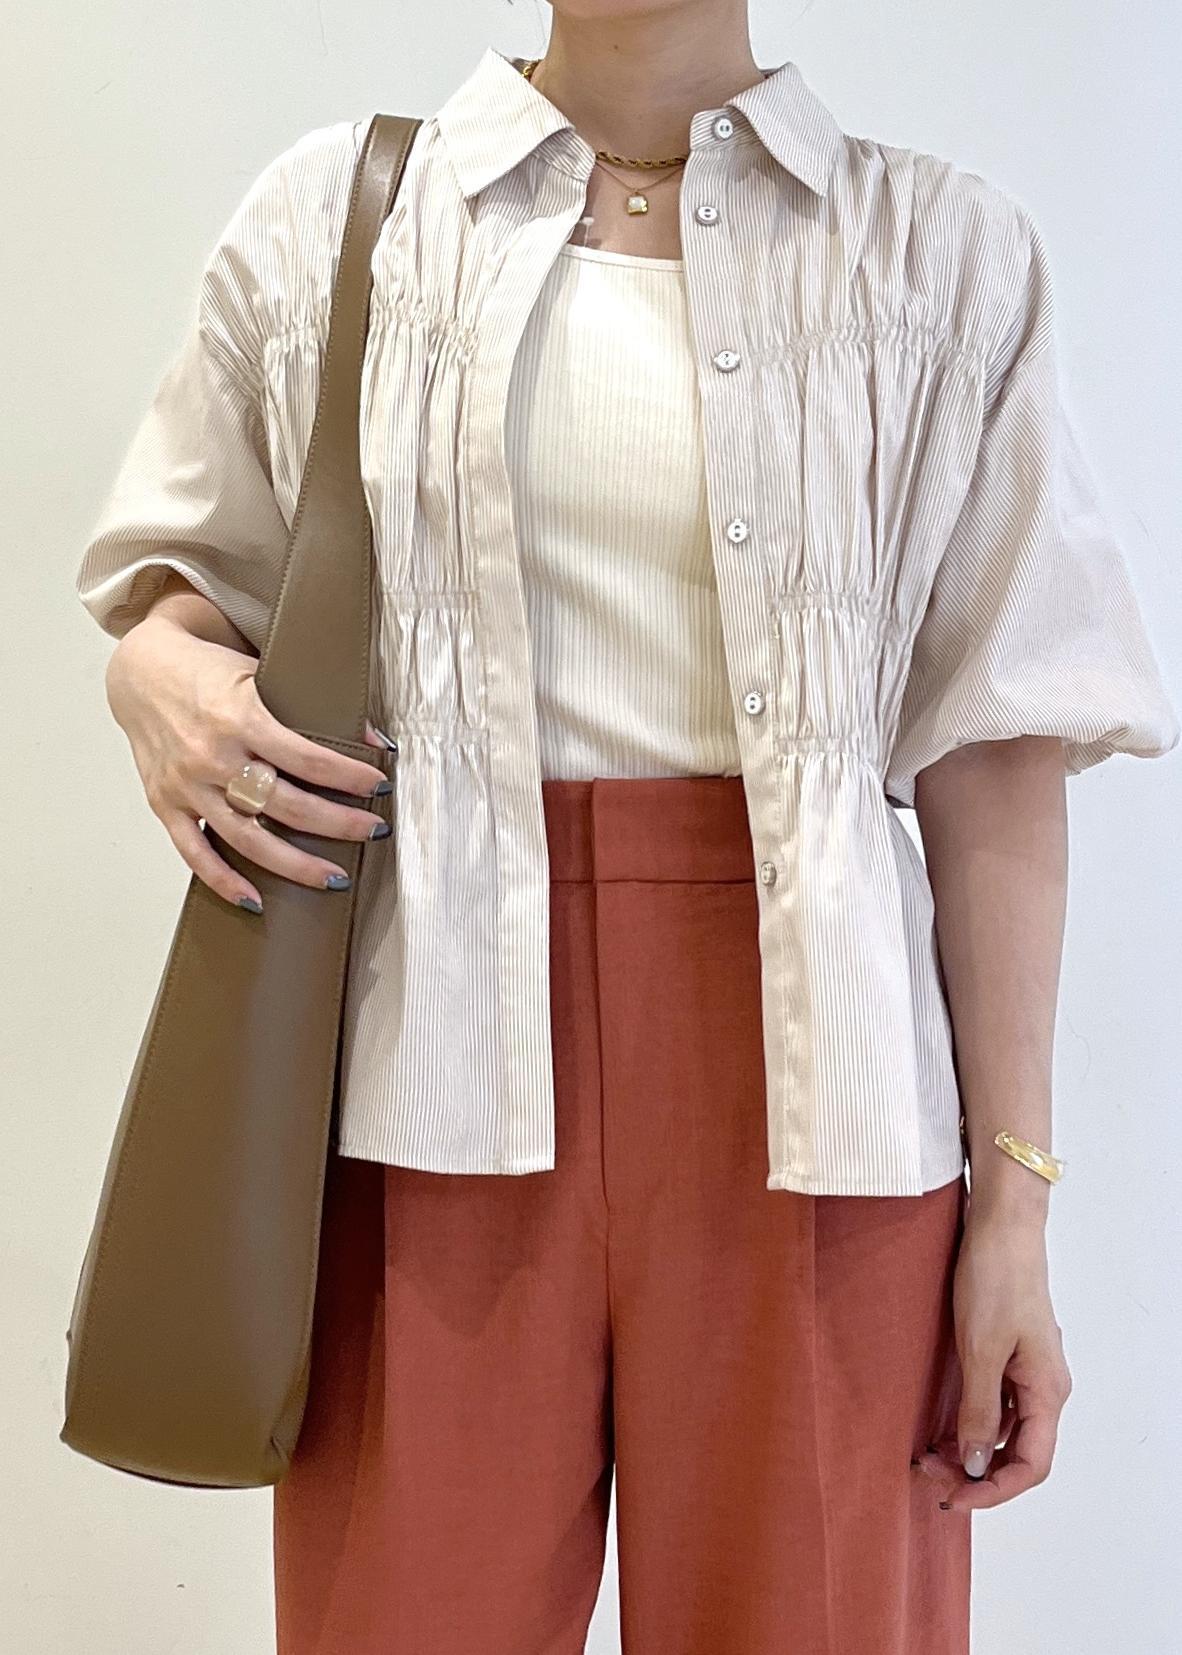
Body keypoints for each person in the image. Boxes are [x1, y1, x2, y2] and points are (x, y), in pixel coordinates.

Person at [73, 8, 1178, 1654]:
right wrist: (152, 671)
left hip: (828, 1103)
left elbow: (993, 751)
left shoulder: (941, 251)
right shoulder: (339, 218)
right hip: (422, 1069)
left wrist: (1013, 1214)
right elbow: (183, 585)